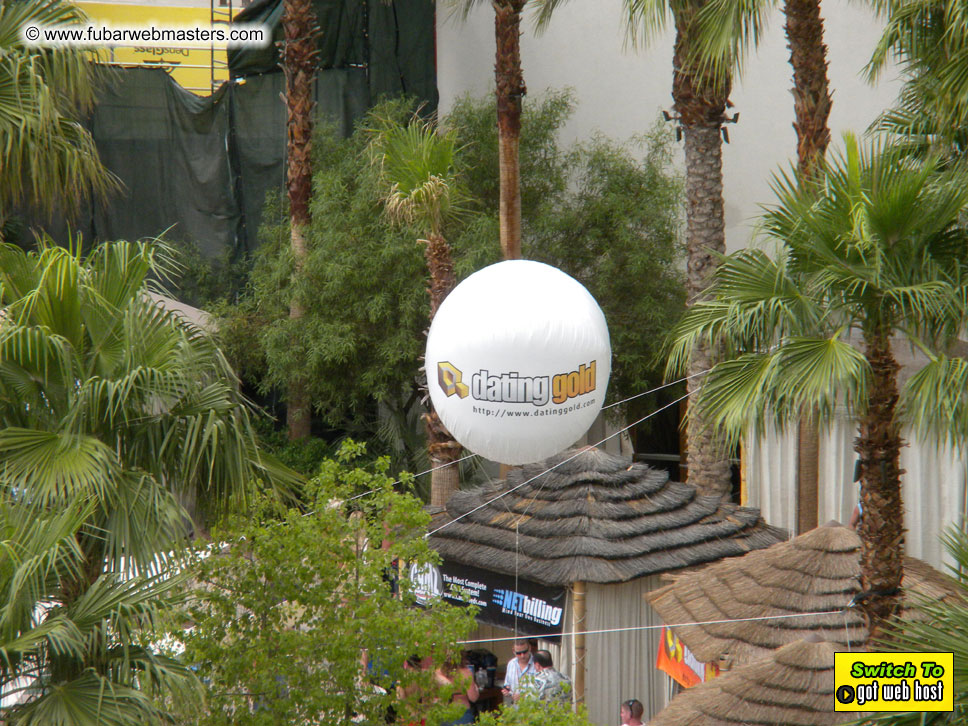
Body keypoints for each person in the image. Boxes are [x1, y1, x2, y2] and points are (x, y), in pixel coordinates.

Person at [436, 654, 479, 726]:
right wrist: (476, 687)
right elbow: (473, 697)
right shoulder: (466, 673)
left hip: (443, 713)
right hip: (462, 714)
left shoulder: (438, 672)